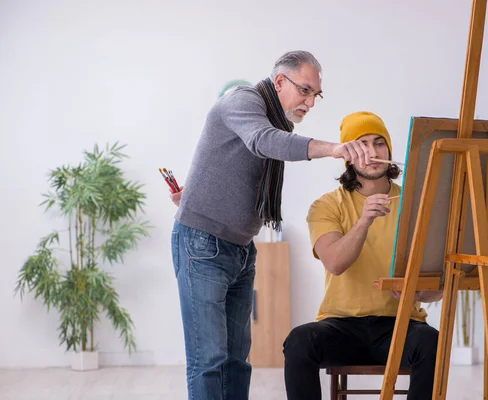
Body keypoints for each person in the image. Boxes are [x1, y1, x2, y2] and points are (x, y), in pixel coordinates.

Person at [169, 51, 375, 400]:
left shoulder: (278, 122)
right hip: (202, 244)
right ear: (279, 81)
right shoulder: (244, 101)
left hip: (240, 248)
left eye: (316, 95)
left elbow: (233, 159)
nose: (310, 102)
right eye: (305, 90)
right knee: (210, 360)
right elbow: (264, 142)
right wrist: (333, 149)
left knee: (236, 360)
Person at [282, 111, 443, 400]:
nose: (371, 152)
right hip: (341, 326)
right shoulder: (326, 206)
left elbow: (439, 287)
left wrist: (421, 292)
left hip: (399, 324)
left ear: (389, 152)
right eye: (361, 144)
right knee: (299, 341)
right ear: (348, 157)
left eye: (379, 143)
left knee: (431, 342)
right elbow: (335, 263)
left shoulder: (417, 205)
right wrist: (364, 221)